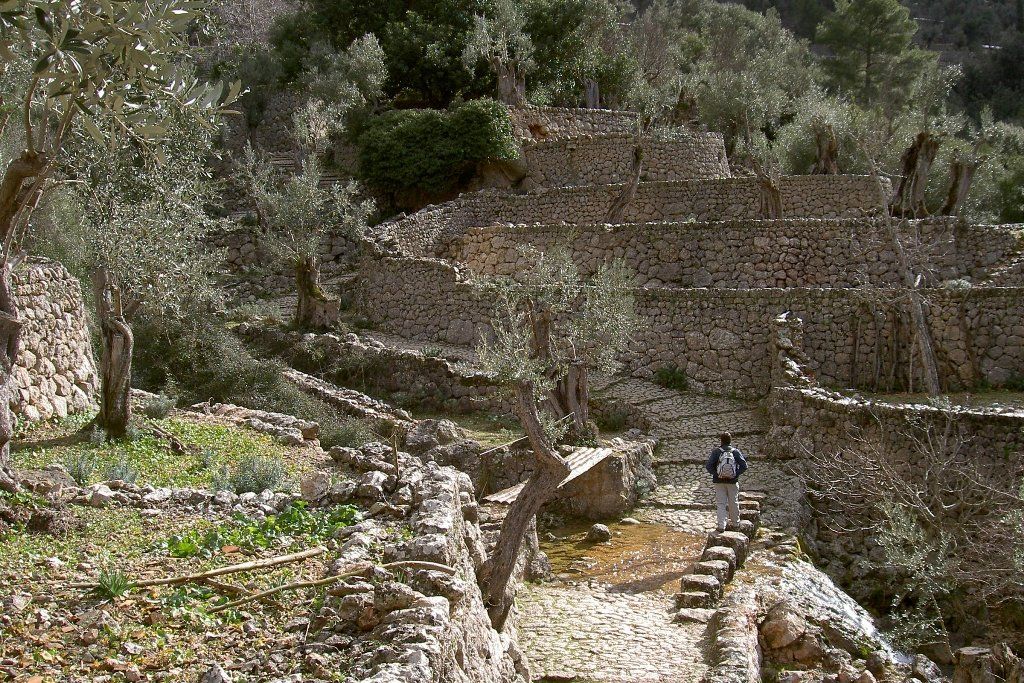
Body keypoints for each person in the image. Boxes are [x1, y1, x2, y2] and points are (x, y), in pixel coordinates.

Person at [705, 432, 748, 532]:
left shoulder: (716, 452)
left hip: (718, 482)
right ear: (730, 440)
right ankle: (736, 524)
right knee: (734, 502)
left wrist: (717, 474)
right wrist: (735, 474)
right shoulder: (735, 452)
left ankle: (721, 526)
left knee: (721, 503)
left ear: (721, 440)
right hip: (733, 482)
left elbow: (708, 466)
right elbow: (744, 466)